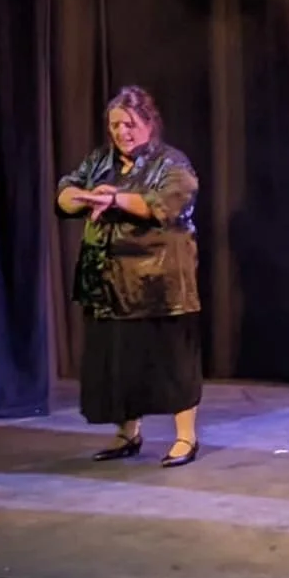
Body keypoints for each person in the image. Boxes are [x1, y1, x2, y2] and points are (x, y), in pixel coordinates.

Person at [55, 85, 204, 467]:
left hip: (158, 283)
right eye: (115, 125)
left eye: (130, 124)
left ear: (149, 123)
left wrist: (114, 198)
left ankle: (186, 438)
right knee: (119, 362)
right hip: (108, 284)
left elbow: (166, 204)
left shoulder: (171, 163)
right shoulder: (100, 161)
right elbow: (65, 192)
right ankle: (127, 433)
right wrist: (83, 197)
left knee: (172, 362)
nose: (122, 132)